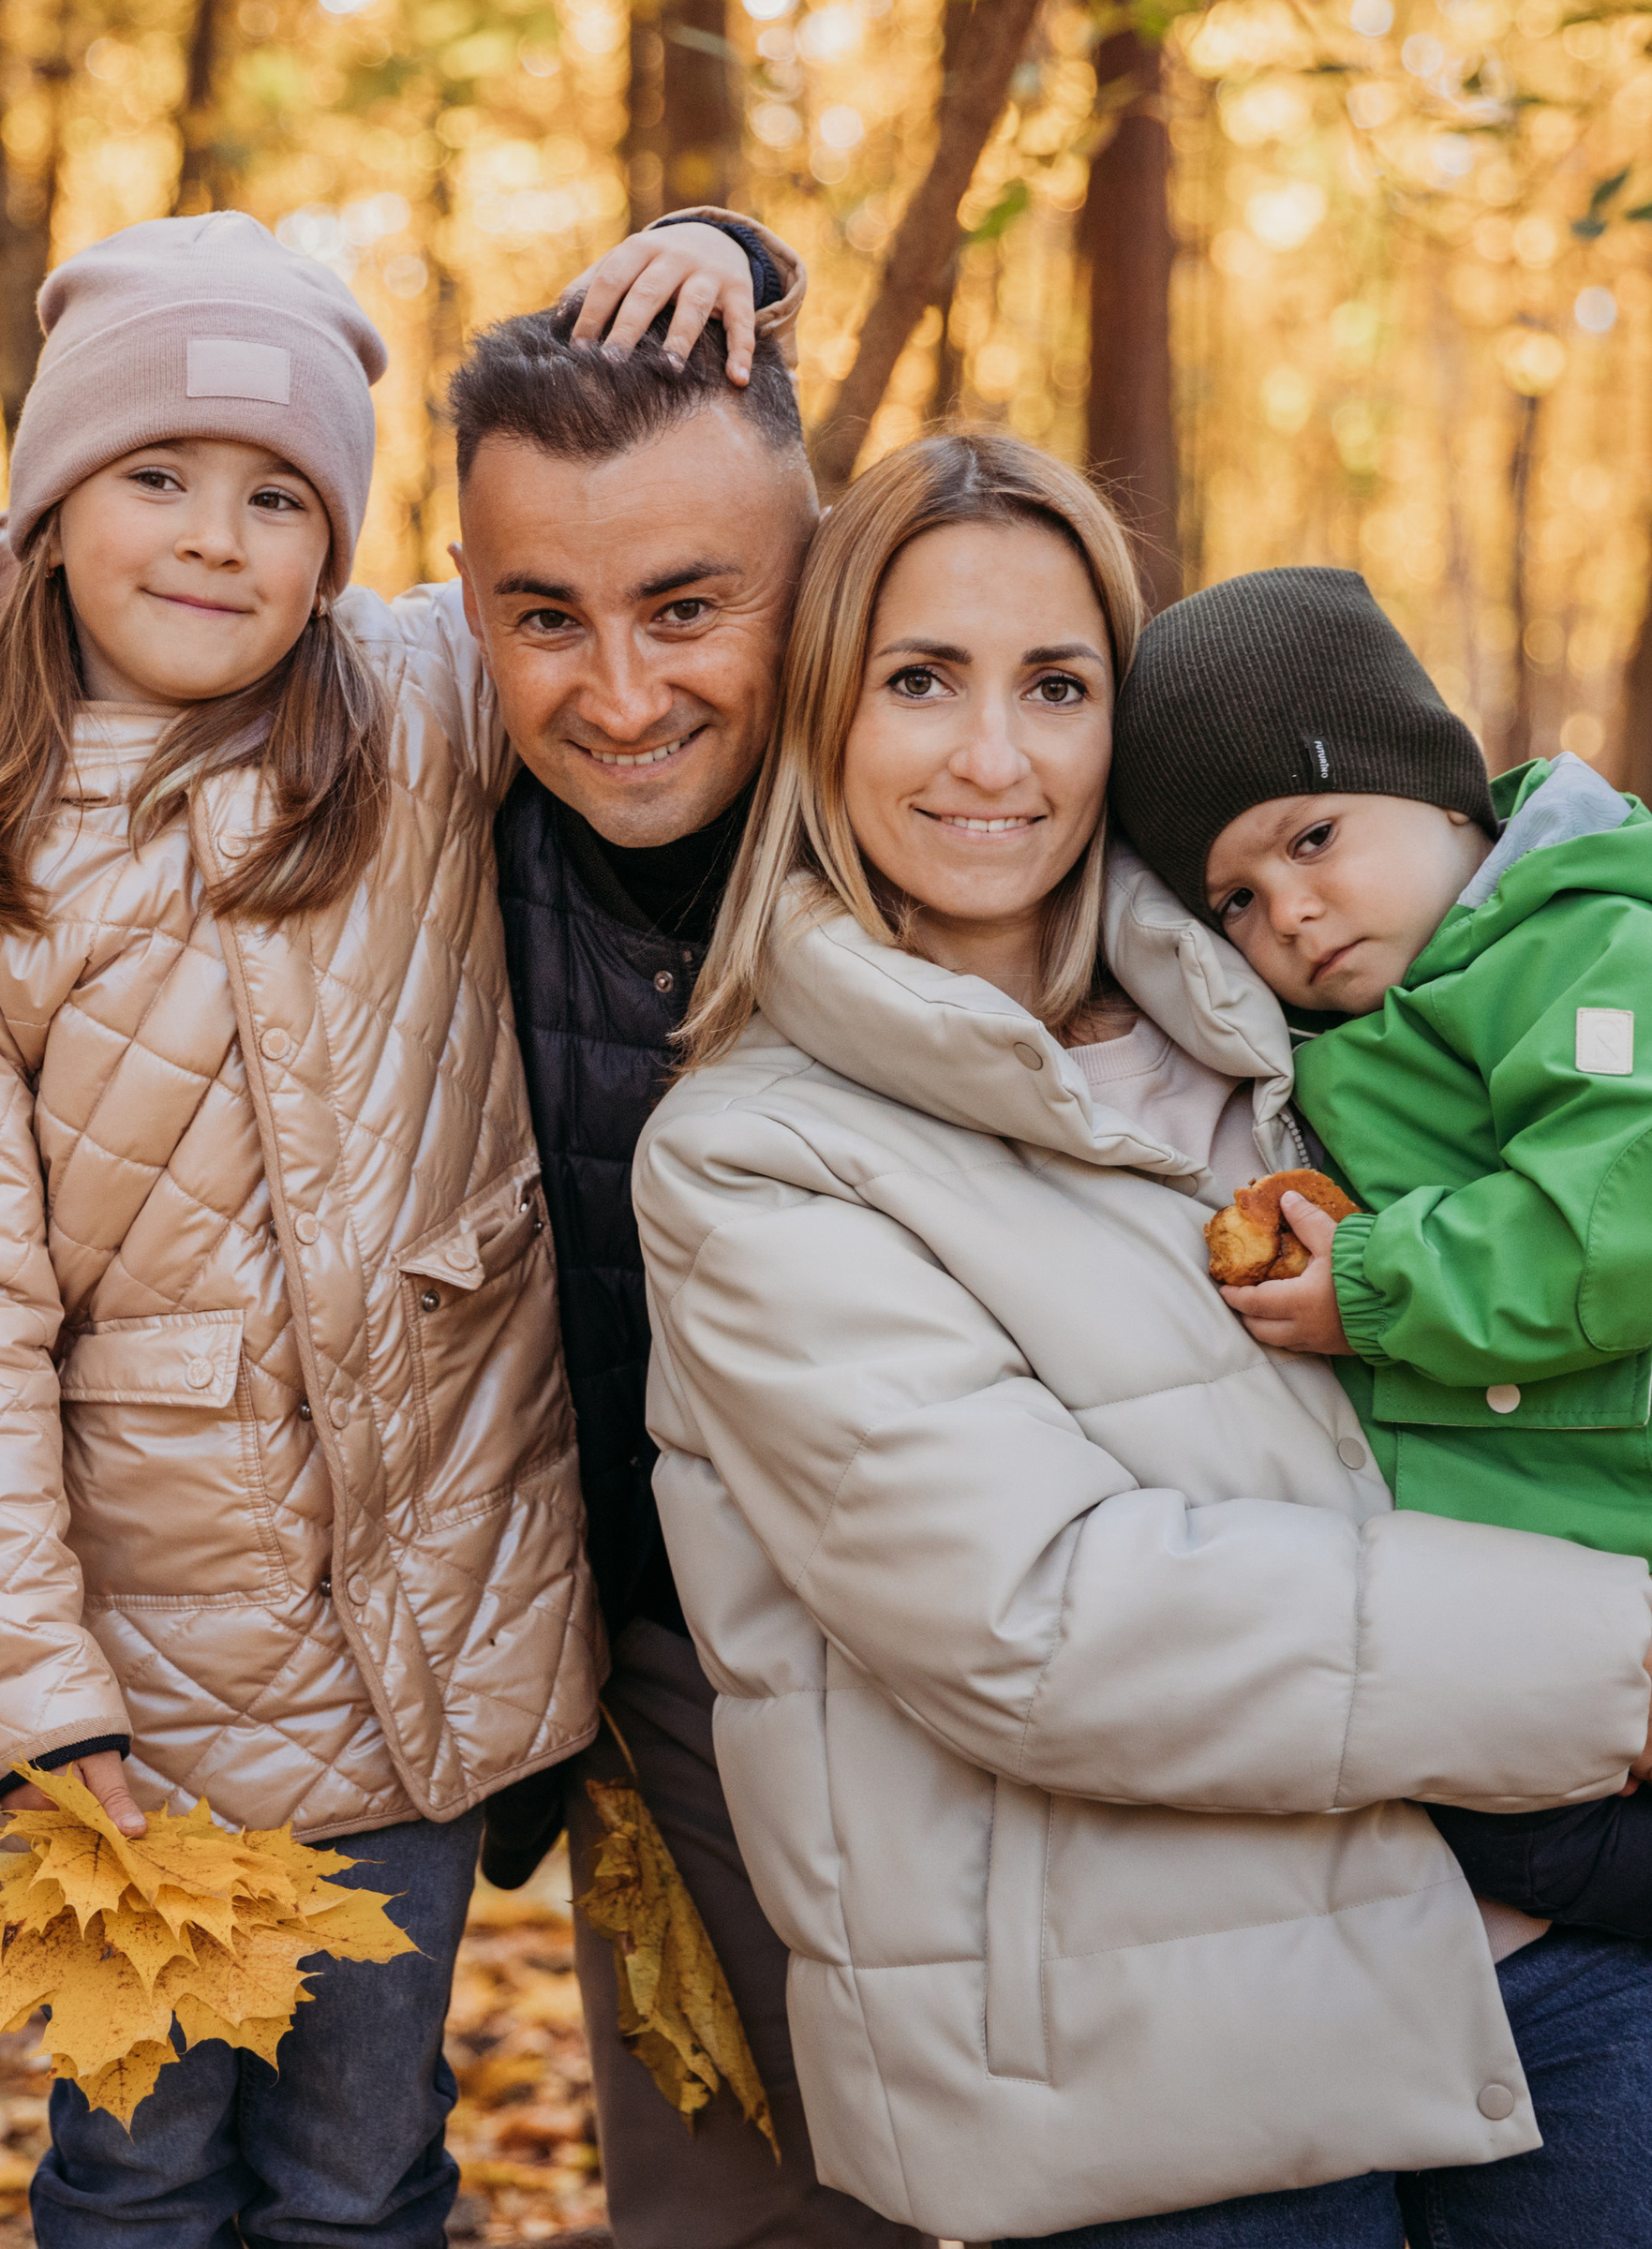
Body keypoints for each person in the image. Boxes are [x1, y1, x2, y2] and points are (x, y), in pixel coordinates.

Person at [631, 430, 1652, 2245]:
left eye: (1055, 683)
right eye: (918, 680)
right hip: (1154, 2062)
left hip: (1527, 1954)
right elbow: (1048, 1615)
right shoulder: (753, 1157)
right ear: (820, 717)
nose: (991, 755)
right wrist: (1614, 1643)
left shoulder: (1285, 1013)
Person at [0, 212, 604, 2249]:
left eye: (279, 496)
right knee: (137, 2168)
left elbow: (635, 592)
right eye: (155, 474)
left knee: (364, 2162)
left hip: (425, 1646)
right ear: (57, 502)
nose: (212, 536)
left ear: (338, 540)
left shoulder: (416, 710)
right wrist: (38, 1707)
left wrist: (710, 262)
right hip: (137, 1693)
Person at [447, 288, 924, 2248]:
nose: (619, 693)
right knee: (744, 2211)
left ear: (812, 592)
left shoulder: (947, 791)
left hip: (1001, 1630)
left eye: (686, 605)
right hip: (669, 1681)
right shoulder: (423, 802)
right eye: (542, 615)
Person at [1113, 566, 1652, 1942]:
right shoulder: (1359, 1026)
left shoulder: (1583, 947)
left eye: (1312, 838)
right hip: (1516, 1615)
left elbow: (1618, 1220)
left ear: (1442, 785)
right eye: (1231, 899)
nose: (1285, 913)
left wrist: (1373, 1286)